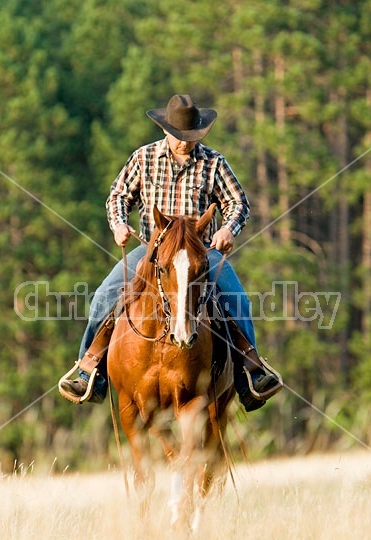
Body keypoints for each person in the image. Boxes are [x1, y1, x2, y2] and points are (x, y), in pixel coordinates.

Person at [59, 94, 282, 411]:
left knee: (236, 298)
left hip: (199, 252)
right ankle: (89, 370)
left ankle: (251, 372)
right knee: (105, 295)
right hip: (152, 251)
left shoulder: (213, 163)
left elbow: (238, 203)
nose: (185, 143)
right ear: (166, 131)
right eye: (180, 137)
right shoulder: (144, 158)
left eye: (192, 137)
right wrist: (119, 224)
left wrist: (227, 230)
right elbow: (118, 196)